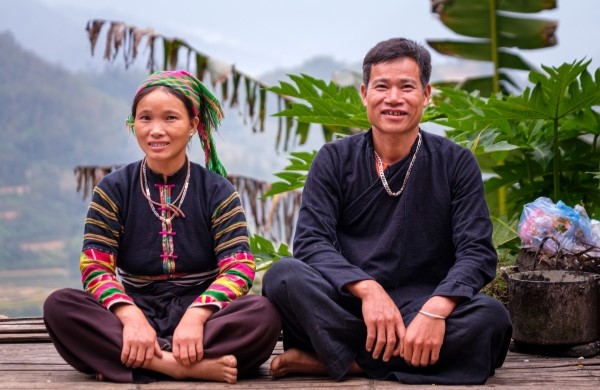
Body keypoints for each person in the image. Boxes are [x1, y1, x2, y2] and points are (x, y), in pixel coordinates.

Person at [262, 38, 512, 385]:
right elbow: (311, 242)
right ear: (365, 93)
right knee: (283, 276)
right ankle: (393, 359)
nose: (393, 98)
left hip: (421, 310)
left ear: (426, 95)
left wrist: (436, 310)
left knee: (491, 319)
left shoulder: (455, 163)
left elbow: (477, 252)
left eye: (406, 87)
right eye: (382, 86)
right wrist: (368, 290)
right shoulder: (334, 159)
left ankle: (346, 362)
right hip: (348, 304)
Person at [43, 70, 281, 384]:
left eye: (170, 118)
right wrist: (130, 318)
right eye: (145, 118)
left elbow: (239, 268)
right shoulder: (113, 190)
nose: (156, 131)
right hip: (136, 308)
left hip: (205, 314)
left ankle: (138, 360)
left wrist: (197, 315)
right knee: (59, 306)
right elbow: (95, 268)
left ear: (193, 125)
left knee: (263, 314)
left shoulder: (217, 190)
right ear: (133, 124)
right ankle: (178, 365)